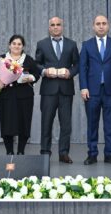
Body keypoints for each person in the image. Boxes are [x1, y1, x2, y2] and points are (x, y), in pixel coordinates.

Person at [79, 15, 111, 165]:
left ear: (108, 26)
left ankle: (109, 154)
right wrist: (83, 87)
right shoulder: (86, 45)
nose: (101, 26)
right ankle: (92, 154)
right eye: (98, 24)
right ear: (93, 26)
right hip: (91, 91)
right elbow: (82, 67)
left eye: (104, 23)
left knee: (110, 124)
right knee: (92, 124)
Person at [35, 17, 79, 163]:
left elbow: (77, 64)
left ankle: (63, 153)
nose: (55, 27)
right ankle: (45, 152)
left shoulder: (72, 44)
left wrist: (70, 73)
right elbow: (37, 64)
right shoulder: (42, 44)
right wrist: (45, 71)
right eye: (52, 25)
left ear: (62, 26)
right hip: (48, 90)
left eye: (58, 24)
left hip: (66, 90)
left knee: (66, 124)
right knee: (46, 122)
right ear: (49, 28)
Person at [0, 35, 40, 155]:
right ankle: (9, 151)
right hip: (6, 96)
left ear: (23, 46)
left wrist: (30, 78)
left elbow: (36, 74)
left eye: (19, 44)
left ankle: (21, 151)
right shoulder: (2, 59)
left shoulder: (28, 59)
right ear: (9, 45)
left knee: (24, 123)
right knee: (7, 123)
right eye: (14, 43)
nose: (16, 46)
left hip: (25, 97)